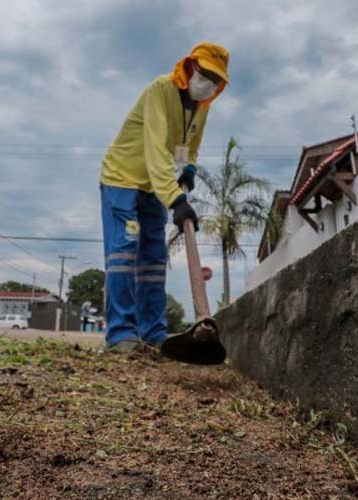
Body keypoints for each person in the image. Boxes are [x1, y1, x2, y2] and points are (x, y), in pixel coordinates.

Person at [99, 42, 229, 350]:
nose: (207, 83)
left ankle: (153, 333)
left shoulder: (202, 105)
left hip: (154, 186)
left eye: (215, 78)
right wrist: (177, 200)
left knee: (155, 258)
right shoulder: (161, 89)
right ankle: (121, 334)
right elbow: (156, 149)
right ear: (191, 66)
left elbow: (191, 142)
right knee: (125, 251)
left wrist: (190, 168)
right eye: (205, 73)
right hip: (122, 178)